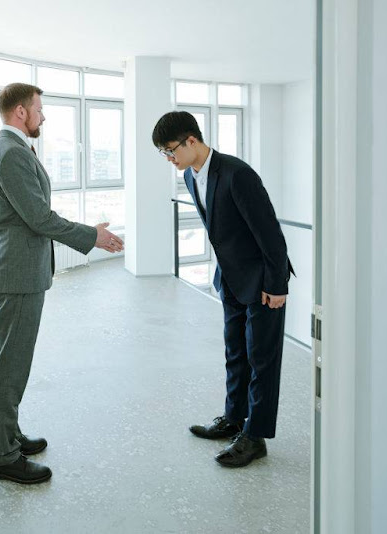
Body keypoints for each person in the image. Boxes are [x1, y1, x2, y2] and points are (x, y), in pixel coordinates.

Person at [0, 83, 124, 484]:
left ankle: (8, 435)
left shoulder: (10, 150)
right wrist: (91, 236)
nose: (43, 116)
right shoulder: (9, 153)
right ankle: (2, 456)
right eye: (39, 109)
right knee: (10, 365)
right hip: (18, 273)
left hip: (16, 270)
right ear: (21, 112)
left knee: (7, 361)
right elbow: (39, 218)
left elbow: (34, 213)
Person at [152, 111, 293, 468]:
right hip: (230, 279)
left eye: (171, 151)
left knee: (262, 360)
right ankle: (234, 418)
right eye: (164, 154)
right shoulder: (189, 174)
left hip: (262, 282)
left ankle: (255, 436)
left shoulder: (237, 174)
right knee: (235, 352)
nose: (170, 159)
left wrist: (277, 284)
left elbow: (270, 233)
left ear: (192, 141)